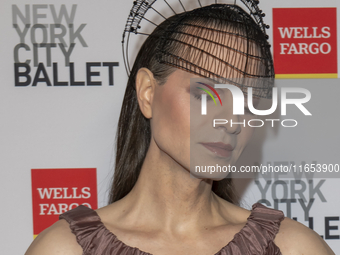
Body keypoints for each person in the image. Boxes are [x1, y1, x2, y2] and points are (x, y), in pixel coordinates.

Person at [25, 2, 335, 255]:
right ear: (148, 93)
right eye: (206, 94)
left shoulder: (293, 248)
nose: (231, 121)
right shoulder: (64, 249)